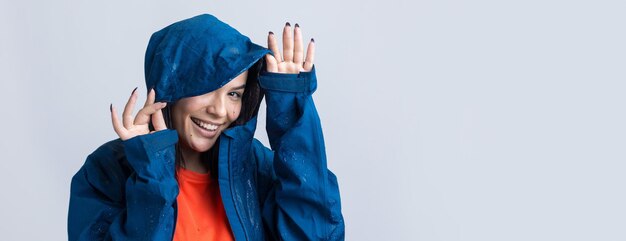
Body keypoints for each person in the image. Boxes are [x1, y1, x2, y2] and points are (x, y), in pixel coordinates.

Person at [68, 14, 344, 241]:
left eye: (234, 94)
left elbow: (315, 234)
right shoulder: (108, 171)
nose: (220, 110)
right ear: (170, 88)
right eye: (207, 89)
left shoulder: (256, 168)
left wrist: (290, 115)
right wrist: (152, 176)